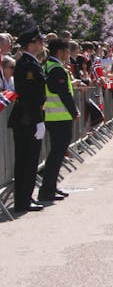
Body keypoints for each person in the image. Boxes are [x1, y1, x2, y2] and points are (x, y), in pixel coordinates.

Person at [8, 27, 47, 214]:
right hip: (27, 119)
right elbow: (31, 96)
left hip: (28, 117)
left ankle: (25, 197)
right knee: (27, 160)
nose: (41, 45)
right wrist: (38, 120)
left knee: (29, 160)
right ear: (31, 44)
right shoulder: (27, 64)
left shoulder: (31, 62)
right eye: (39, 41)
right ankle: (22, 201)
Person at [38, 38, 79, 203]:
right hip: (60, 117)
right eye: (67, 51)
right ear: (61, 51)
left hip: (52, 116)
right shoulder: (57, 69)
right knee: (57, 154)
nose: (68, 54)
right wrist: (74, 111)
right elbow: (64, 93)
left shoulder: (47, 66)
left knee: (56, 154)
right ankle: (47, 190)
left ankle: (51, 187)